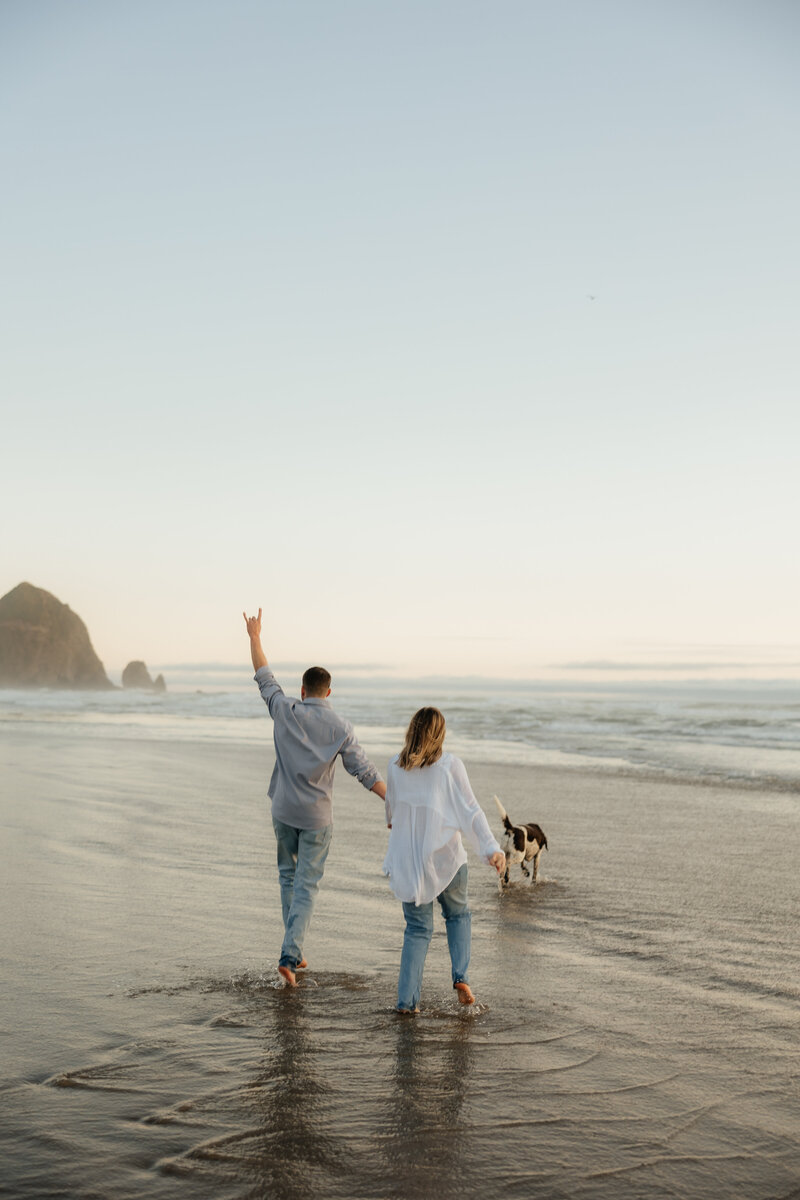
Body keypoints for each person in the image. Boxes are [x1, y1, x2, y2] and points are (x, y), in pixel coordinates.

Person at [243, 608, 387, 987]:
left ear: (303, 691)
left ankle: (295, 948)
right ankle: (290, 956)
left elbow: (264, 677)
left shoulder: (285, 709)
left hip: (283, 810)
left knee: (288, 878)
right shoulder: (341, 727)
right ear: (329, 693)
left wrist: (255, 636)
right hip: (317, 819)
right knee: (306, 884)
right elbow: (365, 772)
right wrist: (392, 800)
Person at [383, 707, 505, 1013]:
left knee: (417, 929)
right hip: (446, 859)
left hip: (410, 861)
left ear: (411, 730)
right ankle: (460, 976)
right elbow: (471, 811)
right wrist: (491, 848)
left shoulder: (395, 767)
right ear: (440, 735)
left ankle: (406, 1003)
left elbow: (391, 813)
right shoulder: (450, 766)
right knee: (458, 915)